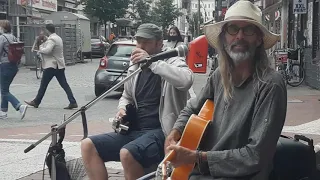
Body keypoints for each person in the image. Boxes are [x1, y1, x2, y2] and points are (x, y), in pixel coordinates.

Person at [164, 1, 287, 180]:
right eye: (233, 29)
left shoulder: (270, 85)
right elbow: (192, 108)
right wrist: (174, 132)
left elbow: (255, 156)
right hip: (205, 172)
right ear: (224, 38)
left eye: (248, 30)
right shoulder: (219, 76)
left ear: (259, 39)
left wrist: (196, 157)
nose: (239, 36)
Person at [81, 23, 194, 180]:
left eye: (145, 42)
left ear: (159, 43)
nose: (140, 46)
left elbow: (186, 80)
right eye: (138, 41)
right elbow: (126, 95)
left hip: (163, 132)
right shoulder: (136, 67)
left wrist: (152, 62)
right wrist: (122, 109)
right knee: (88, 146)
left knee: (127, 153)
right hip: (135, 130)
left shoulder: (172, 61)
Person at [25, 24, 78, 109]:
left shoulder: (52, 39)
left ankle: (36, 102)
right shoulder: (58, 38)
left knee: (43, 84)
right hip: (59, 65)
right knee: (64, 84)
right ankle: (73, 101)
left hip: (52, 65)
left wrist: (40, 48)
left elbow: (48, 50)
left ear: (47, 30)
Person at [0, 20, 28, 120]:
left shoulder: (2, 38)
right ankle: (3, 112)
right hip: (14, 66)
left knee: (3, 91)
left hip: (5, 65)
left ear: (3, 27)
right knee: (5, 89)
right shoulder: (14, 37)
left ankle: (19, 106)